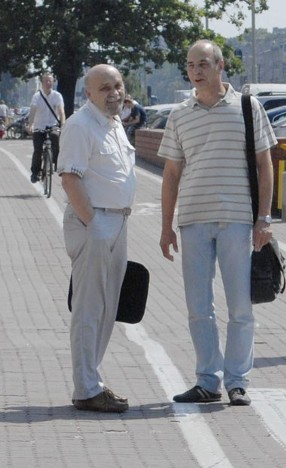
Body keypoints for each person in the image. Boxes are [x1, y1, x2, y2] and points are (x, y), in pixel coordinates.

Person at [158, 40, 276, 406]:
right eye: (191, 65)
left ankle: (237, 381)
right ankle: (207, 380)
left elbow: (264, 165)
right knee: (198, 306)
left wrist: (264, 219)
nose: (196, 71)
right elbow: (171, 173)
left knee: (240, 305)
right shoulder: (179, 114)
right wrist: (166, 226)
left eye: (203, 64)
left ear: (220, 66)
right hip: (193, 219)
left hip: (237, 218)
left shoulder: (246, 106)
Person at [58, 64, 135, 413]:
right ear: (88, 93)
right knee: (89, 309)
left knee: (107, 309)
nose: (113, 92)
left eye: (117, 85)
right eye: (104, 87)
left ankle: (91, 381)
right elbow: (70, 179)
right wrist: (93, 224)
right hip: (95, 222)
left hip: (117, 221)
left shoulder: (114, 123)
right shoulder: (80, 125)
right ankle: (86, 387)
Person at [28, 73, 66, 182]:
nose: (49, 83)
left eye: (50, 81)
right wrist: (30, 125)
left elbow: (61, 112)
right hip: (39, 126)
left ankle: (55, 163)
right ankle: (35, 173)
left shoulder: (57, 96)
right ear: (42, 83)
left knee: (55, 137)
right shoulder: (37, 96)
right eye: (46, 81)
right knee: (38, 150)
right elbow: (33, 111)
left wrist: (63, 125)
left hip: (52, 125)